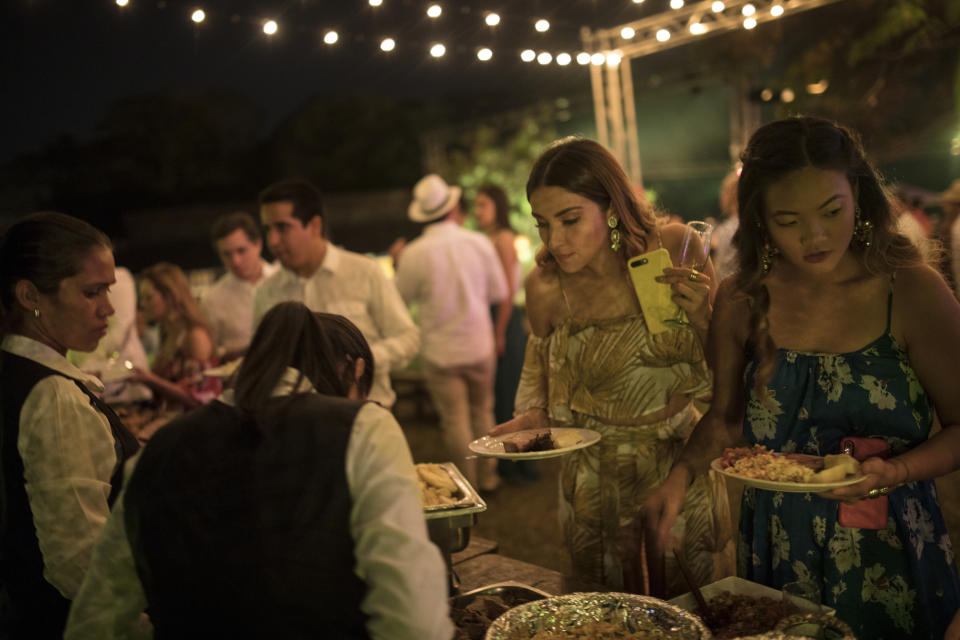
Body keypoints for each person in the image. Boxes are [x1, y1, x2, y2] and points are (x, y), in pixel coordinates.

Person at [644, 116, 960, 639]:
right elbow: (725, 421)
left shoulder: (910, 290)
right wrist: (677, 479)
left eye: (832, 211)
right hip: (777, 542)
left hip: (886, 547)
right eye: (789, 220)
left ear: (857, 193)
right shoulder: (741, 299)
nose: (814, 236)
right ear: (760, 220)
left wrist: (895, 471)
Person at [64, 301, 452, 639]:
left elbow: (97, 616)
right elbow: (413, 619)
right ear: (354, 370)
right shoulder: (364, 428)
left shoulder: (157, 452)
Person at [491, 137, 734, 594]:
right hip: (593, 470)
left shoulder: (675, 250)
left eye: (570, 219)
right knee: (605, 613)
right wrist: (535, 417)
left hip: (681, 458)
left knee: (695, 603)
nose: (555, 241)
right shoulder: (544, 286)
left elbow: (726, 380)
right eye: (543, 224)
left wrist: (705, 317)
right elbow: (539, 381)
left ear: (612, 206)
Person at [0, 212, 140, 638]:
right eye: (92, 292)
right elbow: (79, 560)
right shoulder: (54, 397)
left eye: (109, 290)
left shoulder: (16, 371)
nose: (109, 308)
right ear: (29, 295)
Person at [253, 178, 419, 409]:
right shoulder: (266, 291)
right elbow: (262, 359)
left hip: (368, 416)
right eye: (268, 229)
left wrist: (360, 360)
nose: (272, 240)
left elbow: (408, 338)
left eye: (282, 227)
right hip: (299, 421)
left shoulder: (364, 272)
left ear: (314, 226)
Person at [395, 174, 508, 492]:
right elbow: (499, 291)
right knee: (483, 409)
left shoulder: (414, 253)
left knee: (455, 419)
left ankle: (468, 483)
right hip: (478, 343)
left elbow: (399, 299)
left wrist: (396, 262)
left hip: (440, 350)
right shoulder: (478, 243)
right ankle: (490, 476)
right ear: (451, 206)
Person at [474, 183, 535, 482]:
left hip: (505, 321)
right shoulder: (485, 238)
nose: (477, 210)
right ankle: (507, 462)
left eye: (483, 204)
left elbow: (508, 292)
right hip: (493, 319)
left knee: (509, 394)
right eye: (476, 205)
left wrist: (498, 332)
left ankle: (519, 464)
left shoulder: (503, 238)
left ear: (497, 207)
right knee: (499, 393)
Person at [134, 262, 221, 409]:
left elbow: (199, 398)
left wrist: (149, 379)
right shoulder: (166, 332)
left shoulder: (195, 336)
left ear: (170, 295)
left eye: (148, 297)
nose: (142, 304)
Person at [200, 211, 278, 360]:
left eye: (241, 251)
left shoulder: (283, 280)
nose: (235, 261)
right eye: (227, 254)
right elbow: (210, 352)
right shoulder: (212, 299)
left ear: (258, 244)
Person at [712, 170, 741, 283]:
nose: (721, 197)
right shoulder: (749, 224)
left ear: (733, 194)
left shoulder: (730, 228)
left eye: (723, 191)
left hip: (730, 292)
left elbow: (722, 269)